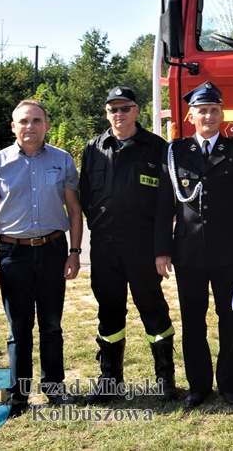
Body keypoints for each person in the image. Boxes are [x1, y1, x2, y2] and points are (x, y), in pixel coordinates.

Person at [155, 81, 233, 408]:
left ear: (221, 113)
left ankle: (229, 385)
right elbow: (164, 205)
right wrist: (162, 249)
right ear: (191, 115)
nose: (209, 116)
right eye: (202, 110)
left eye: (214, 110)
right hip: (188, 253)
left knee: (230, 319)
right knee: (193, 321)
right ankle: (198, 386)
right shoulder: (175, 152)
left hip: (228, 252)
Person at [0, 99, 83, 417]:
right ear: (13, 126)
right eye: (23, 121)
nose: (30, 126)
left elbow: (75, 210)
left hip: (53, 250)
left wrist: (75, 253)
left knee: (51, 326)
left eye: (37, 120)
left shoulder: (62, 161)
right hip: (13, 253)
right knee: (19, 330)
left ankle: (54, 390)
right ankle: (17, 397)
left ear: (46, 126)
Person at [80, 86, 175, 404]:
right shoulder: (94, 148)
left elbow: (166, 203)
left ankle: (165, 378)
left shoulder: (156, 148)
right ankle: (110, 380)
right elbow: (85, 196)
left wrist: (162, 247)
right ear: (106, 113)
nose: (118, 115)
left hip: (142, 245)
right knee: (108, 311)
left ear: (137, 110)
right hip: (105, 246)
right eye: (113, 109)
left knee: (152, 308)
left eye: (125, 108)